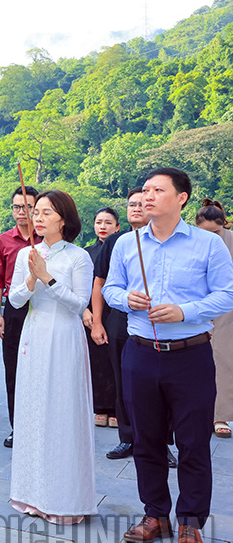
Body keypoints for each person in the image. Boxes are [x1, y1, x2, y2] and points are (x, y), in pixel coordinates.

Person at [103, 167, 233, 543]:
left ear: (181, 198)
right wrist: (128, 300)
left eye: (158, 190)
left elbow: (227, 295)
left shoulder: (208, 245)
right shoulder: (127, 243)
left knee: (193, 443)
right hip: (140, 353)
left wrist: (184, 311)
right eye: (144, 189)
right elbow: (110, 289)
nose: (147, 196)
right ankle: (155, 514)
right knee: (146, 439)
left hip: (190, 354)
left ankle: (190, 521)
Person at [7, 190, 96, 524]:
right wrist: (31, 277)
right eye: (35, 212)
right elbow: (16, 302)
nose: (37, 217)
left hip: (64, 337)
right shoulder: (25, 254)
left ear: (63, 218)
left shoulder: (78, 257)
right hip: (33, 335)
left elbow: (77, 304)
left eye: (45, 212)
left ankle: (64, 498)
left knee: (61, 412)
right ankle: (31, 493)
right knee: (32, 411)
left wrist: (47, 276)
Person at [90, 188, 153, 461]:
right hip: (119, 321)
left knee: (154, 384)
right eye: (131, 204)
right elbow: (99, 282)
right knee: (123, 381)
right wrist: (96, 322)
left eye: (141, 204)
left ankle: (159, 443)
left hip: (156, 322)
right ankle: (127, 439)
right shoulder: (115, 241)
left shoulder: (164, 239)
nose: (136, 208)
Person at [0, 185, 41, 448]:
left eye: (28, 207)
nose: (22, 212)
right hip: (14, 307)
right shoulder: (3, 240)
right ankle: (17, 426)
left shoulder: (49, 239)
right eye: (17, 207)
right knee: (14, 368)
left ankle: (43, 425)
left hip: (44, 306)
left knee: (43, 368)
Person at [195, 199, 233, 440]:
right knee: (194, 362)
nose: (211, 237)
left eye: (216, 232)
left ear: (224, 227)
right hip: (195, 305)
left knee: (222, 359)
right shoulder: (190, 240)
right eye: (205, 232)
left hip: (226, 308)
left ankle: (220, 416)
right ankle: (197, 414)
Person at [84, 207, 120, 427]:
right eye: (99, 222)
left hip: (114, 312)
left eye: (108, 223)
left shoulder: (122, 248)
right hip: (92, 312)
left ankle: (117, 408)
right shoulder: (86, 252)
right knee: (96, 361)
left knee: (115, 360)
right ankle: (100, 407)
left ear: (117, 227)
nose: (103, 226)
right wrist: (85, 311)